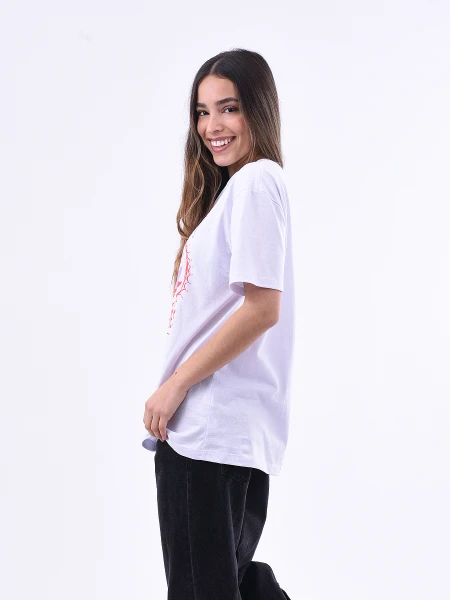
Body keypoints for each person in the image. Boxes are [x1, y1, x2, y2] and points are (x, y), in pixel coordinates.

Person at [142, 48, 294, 600]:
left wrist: (175, 385)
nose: (212, 127)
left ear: (258, 109)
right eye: (202, 112)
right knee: (232, 584)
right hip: (224, 439)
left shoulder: (255, 182)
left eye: (228, 108)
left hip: (208, 435)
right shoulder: (238, 193)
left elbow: (262, 307)